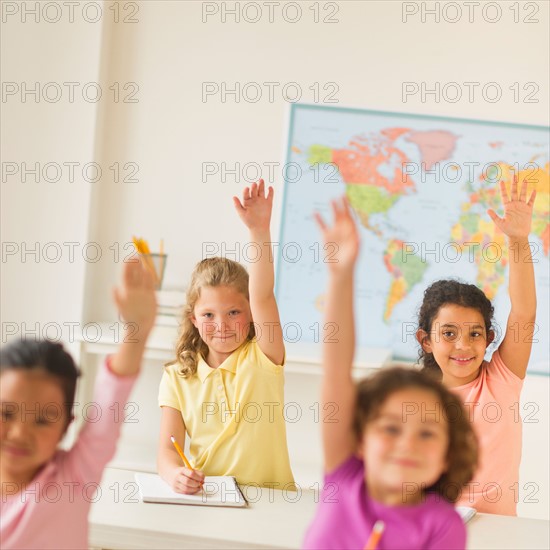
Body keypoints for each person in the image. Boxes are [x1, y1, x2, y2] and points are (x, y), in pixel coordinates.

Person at [303, 197, 478, 550]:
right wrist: (340, 277)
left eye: (427, 434)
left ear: (447, 455)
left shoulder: (443, 525)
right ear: (360, 439)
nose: (407, 444)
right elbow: (336, 369)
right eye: (391, 428)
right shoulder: (344, 477)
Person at [0, 258, 157, 549]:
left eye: (42, 420)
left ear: (65, 427)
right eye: (6, 413)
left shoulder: (73, 479)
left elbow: (108, 408)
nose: (19, 433)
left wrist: (136, 333)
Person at [158, 179, 295, 494]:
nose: (221, 324)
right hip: (212, 497)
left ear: (251, 316)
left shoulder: (264, 357)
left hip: (272, 501)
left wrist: (258, 231)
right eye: (208, 315)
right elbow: (167, 450)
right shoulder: (177, 376)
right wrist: (174, 474)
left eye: (234, 312)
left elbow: (262, 294)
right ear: (194, 319)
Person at [416, 178, 537, 515]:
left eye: (475, 334)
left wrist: (517, 240)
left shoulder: (501, 379)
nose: (463, 346)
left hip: (500, 536)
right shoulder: (418, 400)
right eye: (449, 333)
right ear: (426, 340)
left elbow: (524, 313)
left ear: (489, 338)